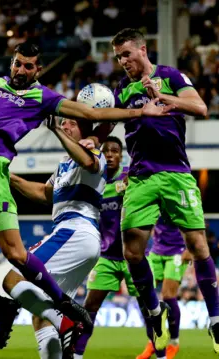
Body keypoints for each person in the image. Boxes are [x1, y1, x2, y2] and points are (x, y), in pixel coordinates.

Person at [0, 42, 172, 349]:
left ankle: (69, 314)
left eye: (28, 66)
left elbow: (88, 113)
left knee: (16, 267)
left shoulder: (46, 101)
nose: (21, 69)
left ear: (38, 69)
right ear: (12, 63)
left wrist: (140, 112)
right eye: (17, 63)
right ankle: (12, 309)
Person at [108, 28, 219, 354]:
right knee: (132, 252)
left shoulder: (171, 76)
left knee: (199, 245)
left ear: (143, 50)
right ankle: (153, 311)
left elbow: (200, 107)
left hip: (177, 173)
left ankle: (216, 319)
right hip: (141, 176)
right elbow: (107, 121)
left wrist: (163, 97)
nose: (122, 62)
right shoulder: (122, 88)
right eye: (118, 57)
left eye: (127, 54)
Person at [1, 115, 106, 359]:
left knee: (14, 278)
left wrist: (57, 131)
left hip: (75, 231)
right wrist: (10, 177)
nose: (65, 125)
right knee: (40, 312)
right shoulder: (64, 163)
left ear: (85, 129)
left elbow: (89, 163)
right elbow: (44, 193)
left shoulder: (95, 154)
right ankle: (64, 326)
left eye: (70, 122)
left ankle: (68, 324)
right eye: (63, 122)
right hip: (76, 236)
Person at [73, 136, 149, 358]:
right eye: (106, 151)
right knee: (90, 307)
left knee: (147, 308)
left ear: (121, 154)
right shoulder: (94, 182)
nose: (110, 155)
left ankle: (160, 352)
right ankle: (77, 354)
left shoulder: (130, 177)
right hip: (106, 257)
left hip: (132, 256)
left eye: (115, 151)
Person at [137, 218, 189, 359]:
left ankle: (174, 342)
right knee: (145, 294)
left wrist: (190, 248)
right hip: (156, 251)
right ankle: (152, 341)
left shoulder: (179, 196)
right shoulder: (154, 198)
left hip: (177, 252)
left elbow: (194, 219)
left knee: (168, 295)